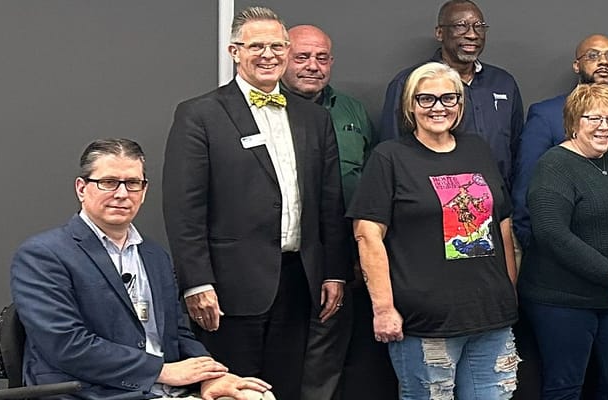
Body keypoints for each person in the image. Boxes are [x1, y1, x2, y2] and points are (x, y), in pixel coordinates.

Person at [163, 7, 347, 396]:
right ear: (234, 51)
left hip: (299, 280)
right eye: (256, 46)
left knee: (285, 388)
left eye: (277, 46)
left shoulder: (313, 118)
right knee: (233, 390)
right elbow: (185, 209)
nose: (268, 55)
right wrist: (197, 282)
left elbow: (330, 202)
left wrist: (333, 271)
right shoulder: (200, 114)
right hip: (229, 288)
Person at [13, 138, 275, 400]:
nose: (122, 194)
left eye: (133, 183)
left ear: (144, 190)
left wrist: (210, 376)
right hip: (94, 392)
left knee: (258, 396)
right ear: (81, 188)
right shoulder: (43, 255)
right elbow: (66, 344)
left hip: (166, 388)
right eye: (108, 182)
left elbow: (177, 333)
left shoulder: (154, 255)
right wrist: (161, 371)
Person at [353, 62, 521, 400]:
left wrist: (509, 290)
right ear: (410, 105)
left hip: (491, 317)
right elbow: (368, 236)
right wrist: (384, 309)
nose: (438, 107)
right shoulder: (390, 157)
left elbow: (502, 225)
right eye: (426, 99)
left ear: (460, 104)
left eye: (448, 98)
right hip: (426, 322)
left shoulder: (478, 150)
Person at [518, 84, 608, 400]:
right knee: (565, 388)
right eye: (594, 118)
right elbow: (552, 234)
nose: (604, 126)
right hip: (564, 300)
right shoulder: (554, 165)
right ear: (573, 122)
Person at [285, 23, 395, 400]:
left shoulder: (351, 110)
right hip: (279, 259)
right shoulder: (263, 111)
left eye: (321, 58)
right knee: (282, 357)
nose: (312, 66)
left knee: (332, 354)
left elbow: (372, 182)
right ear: (282, 58)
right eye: (301, 57)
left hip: (343, 252)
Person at [514, 33, 608, 255]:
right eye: (593, 55)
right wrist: (535, 247)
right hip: (566, 254)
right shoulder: (546, 114)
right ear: (576, 65)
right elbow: (527, 185)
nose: (603, 61)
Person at [377, 0, 524, 179]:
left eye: (479, 26)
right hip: (432, 198)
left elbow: (516, 148)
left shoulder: (503, 83)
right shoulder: (409, 83)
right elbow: (391, 151)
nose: (472, 34)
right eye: (461, 26)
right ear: (440, 33)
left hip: (498, 198)